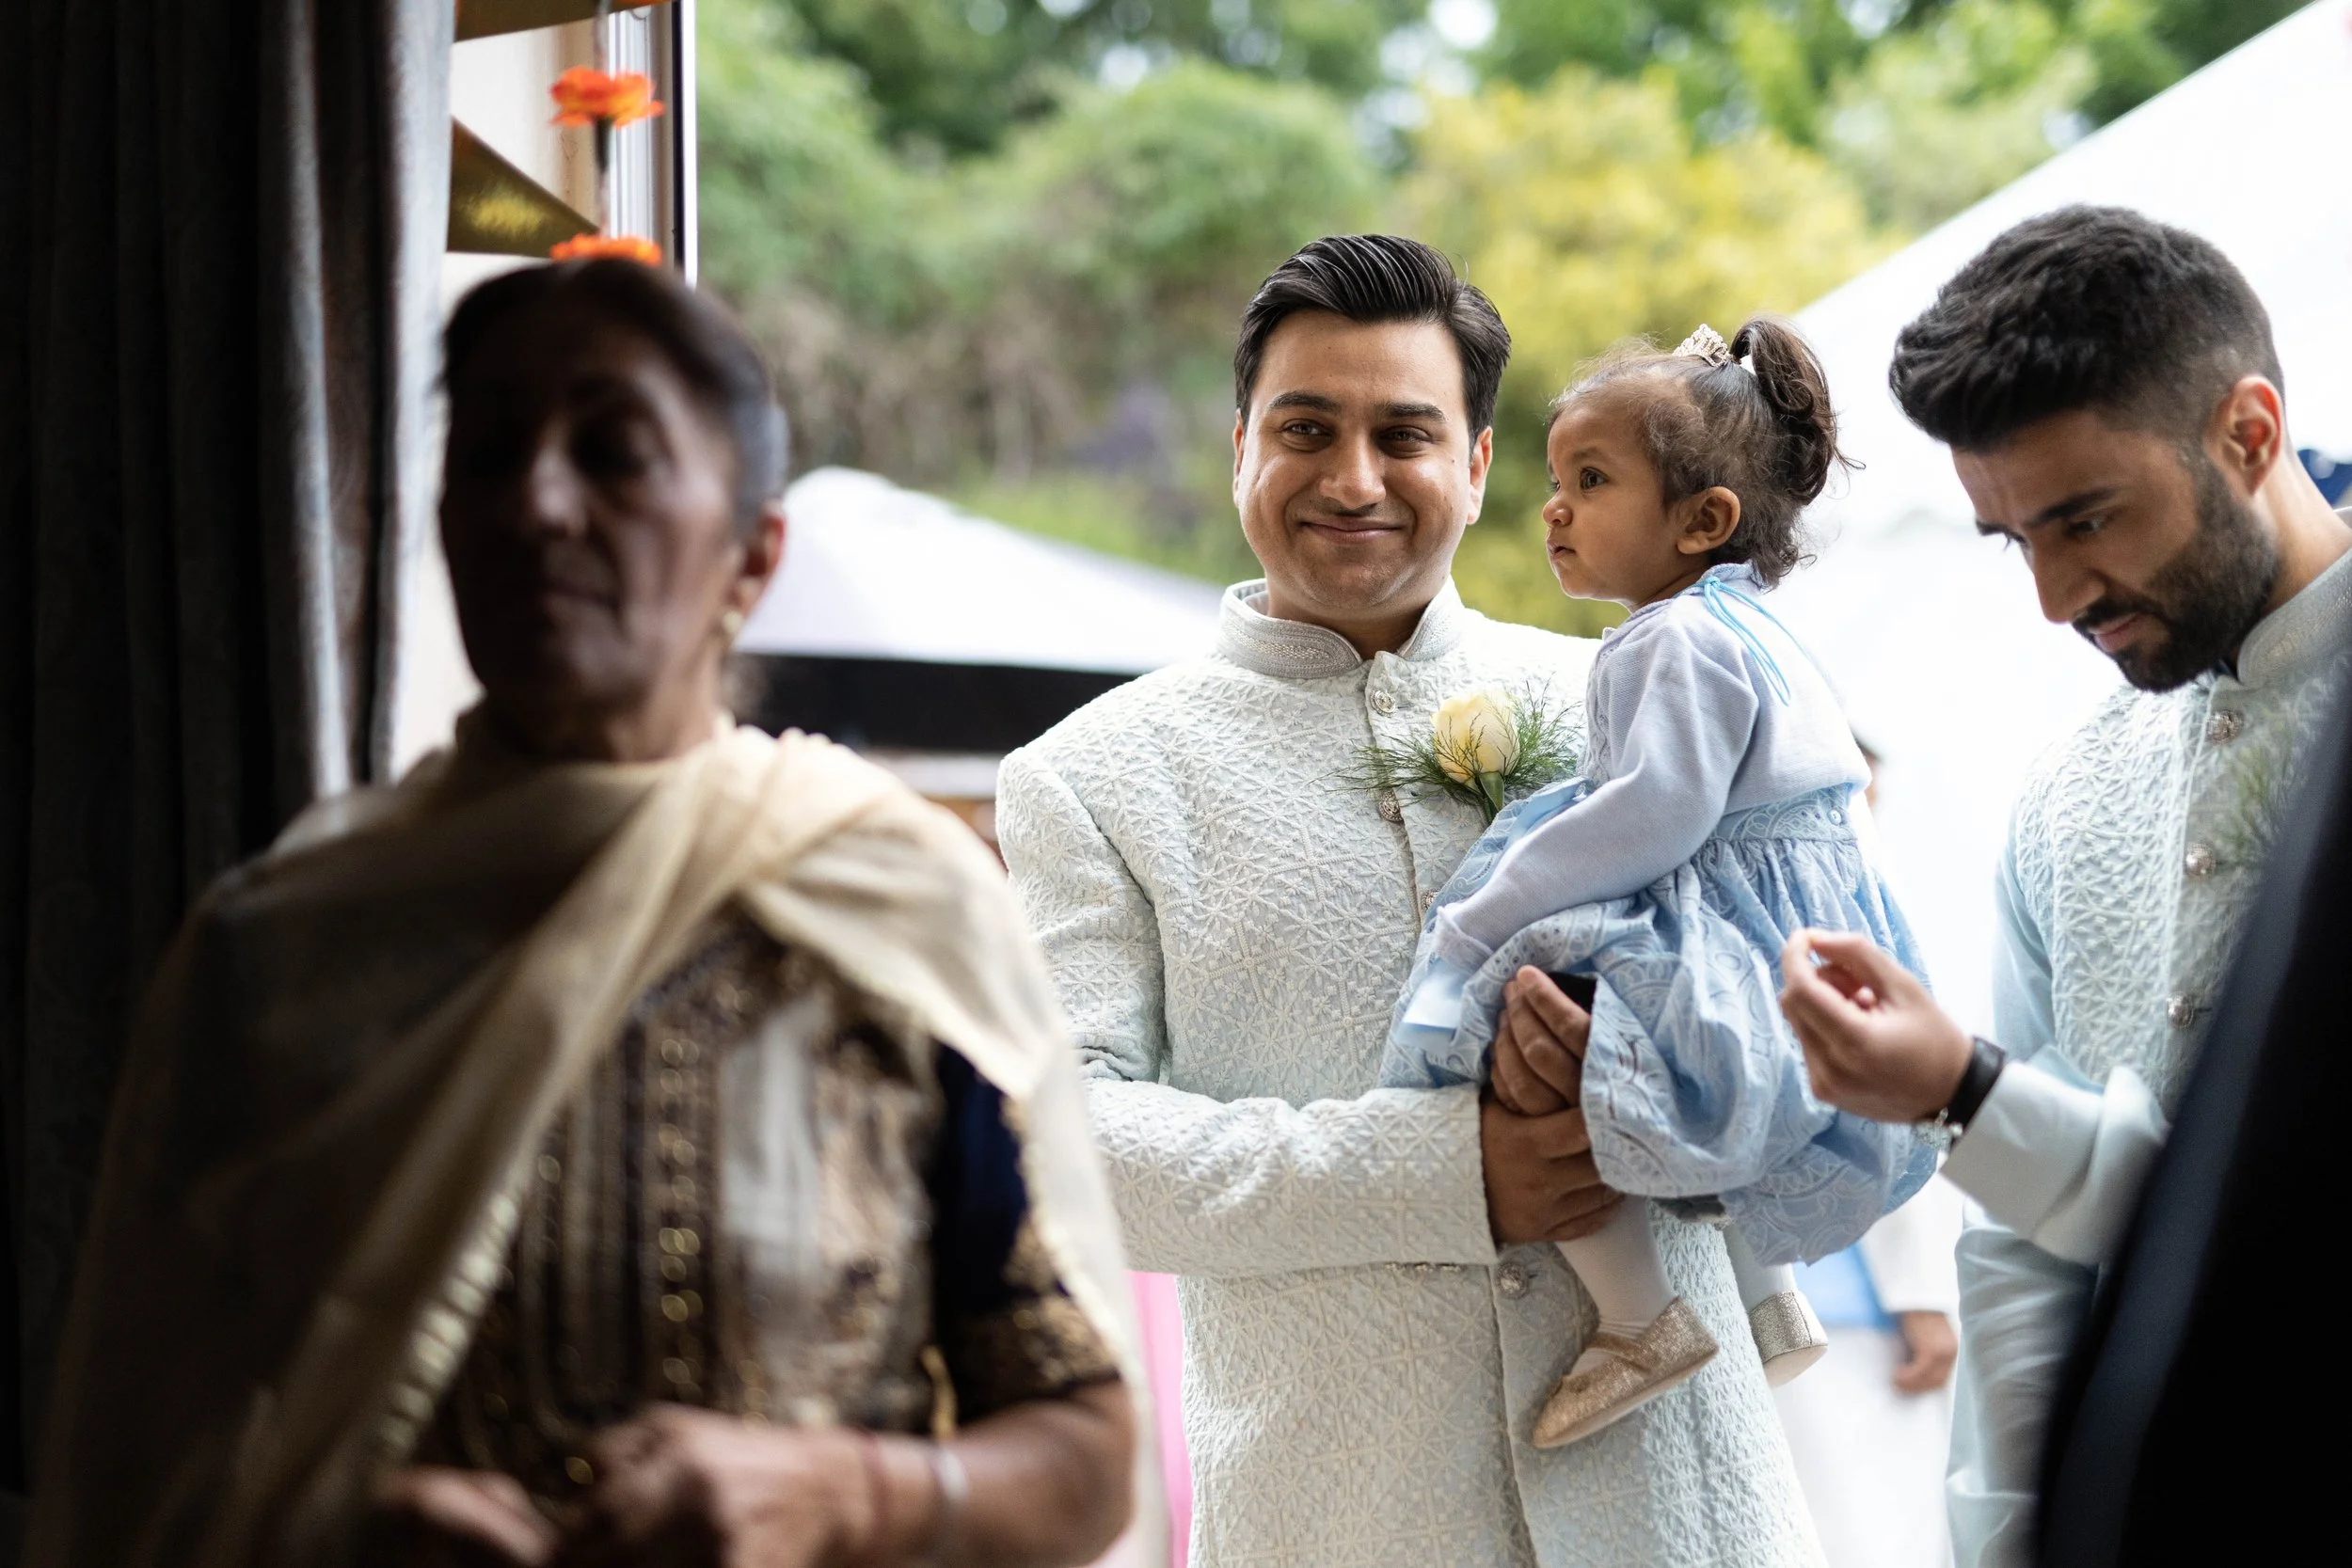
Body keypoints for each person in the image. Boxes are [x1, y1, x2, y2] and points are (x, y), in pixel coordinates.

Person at [24, 259, 1144, 1568]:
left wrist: (847, 1493)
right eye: (489, 452)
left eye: (612, 454)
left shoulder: (891, 908)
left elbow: (1083, 1450)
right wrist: (329, 1530)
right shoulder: (279, 951)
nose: (536, 503)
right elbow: (130, 1470)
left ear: (751, 553)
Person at [998, 234, 1822, 1566]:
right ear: (1238, 448)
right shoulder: (1092, 777)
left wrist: (1658, 1062)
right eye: (1306, 428)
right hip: (1336, 1518)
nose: (1355, 478)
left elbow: (1793, 975)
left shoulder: (1626, 695)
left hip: (1691, 1512)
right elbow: (1072, 1148)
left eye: (1405, 433)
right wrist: (1445, 1173)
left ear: (1481, 463)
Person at [1772, 206, 2352, 1567]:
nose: (2050, 596)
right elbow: (2022, 1262)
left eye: (2086, 518)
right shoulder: (2064, 797)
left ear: (2249, 432)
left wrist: (1966, 1093)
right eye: (2008, 537)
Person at [1380, 318, 1930, 1448]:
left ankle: (1641, 1312)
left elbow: (1650, 813)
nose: (1555, 508)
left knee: (1507, 1012)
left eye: (1591, 479)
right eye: (1556, 479)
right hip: (1792, 927)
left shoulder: (1667, 641)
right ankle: (1759, 1299)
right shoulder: (1756, 628)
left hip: (1727, 926)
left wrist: (1495, 903)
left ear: (1702, 518)